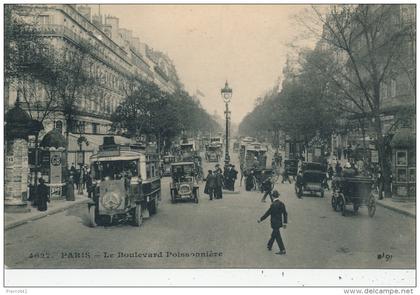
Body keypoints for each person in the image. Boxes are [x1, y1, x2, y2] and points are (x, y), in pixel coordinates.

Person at [257, 190, 288, 255]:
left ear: (273, 197)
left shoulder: (273, 205)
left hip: (274, 223)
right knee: (275, 234)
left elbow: (267, 213)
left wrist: (260, 219)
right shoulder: (282, 204)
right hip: (279, 223)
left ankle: (282, 250)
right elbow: (285, 213)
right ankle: (269, 245)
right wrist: (285, 222)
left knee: (277, 236)